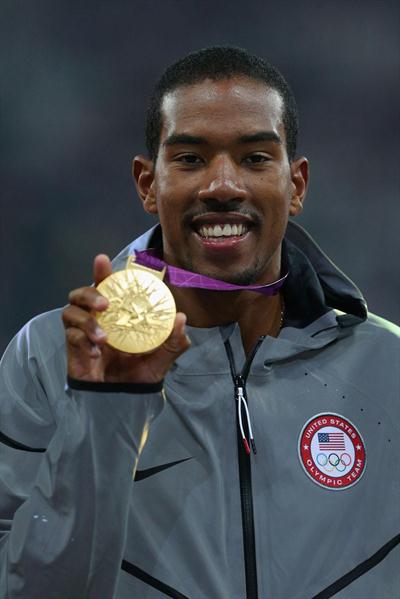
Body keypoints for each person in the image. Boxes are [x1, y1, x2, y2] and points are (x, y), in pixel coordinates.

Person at [0, 46, 398, 599]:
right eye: (190, 159)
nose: (223, 186)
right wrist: (104, 414)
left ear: (297, 184)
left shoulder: (387, 368)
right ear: (147, 183)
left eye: (256, 158)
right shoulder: (47, 360)